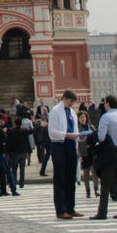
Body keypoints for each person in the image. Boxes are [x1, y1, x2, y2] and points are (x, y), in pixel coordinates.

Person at [91, 94, 117, 220]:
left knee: (106, 182)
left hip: (110, 151)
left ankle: (102, 212)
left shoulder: (106, 117)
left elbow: (101, 137)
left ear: (107, 103)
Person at [47, 88, 82, 219]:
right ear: (65, 99)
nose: (71, 104)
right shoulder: (55, 111)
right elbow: (52, 132)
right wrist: (67, 135)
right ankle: (61, 210)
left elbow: (75, 128)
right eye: (70, 101)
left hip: (71, 145)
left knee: (71, 177)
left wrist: (78, 136)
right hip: (59, 145)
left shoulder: (72, 112)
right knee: (60, 178)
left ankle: (70, 207)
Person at [76, 111, 99, 200]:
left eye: (84, 117)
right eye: (81, 117)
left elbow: (96, 137)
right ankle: (88, 191)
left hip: (92, 150)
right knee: (86, 172)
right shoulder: (77, 128)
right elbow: (77, 143)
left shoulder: (91, 127)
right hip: (83, 151)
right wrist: (79, 155)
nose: (83, 119)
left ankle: (96, 189)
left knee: (94, 170)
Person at [7, 117, 30, 188]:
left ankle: (13, 183)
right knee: (22, 169)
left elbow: (10, 142)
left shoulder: (12, 131)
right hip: (23, 151)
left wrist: (8, 151)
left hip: (15, 152)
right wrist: (28, 150)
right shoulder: (24, 131)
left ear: (15, 124)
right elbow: (27, 141)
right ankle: (21, 183)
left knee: (14, 169)